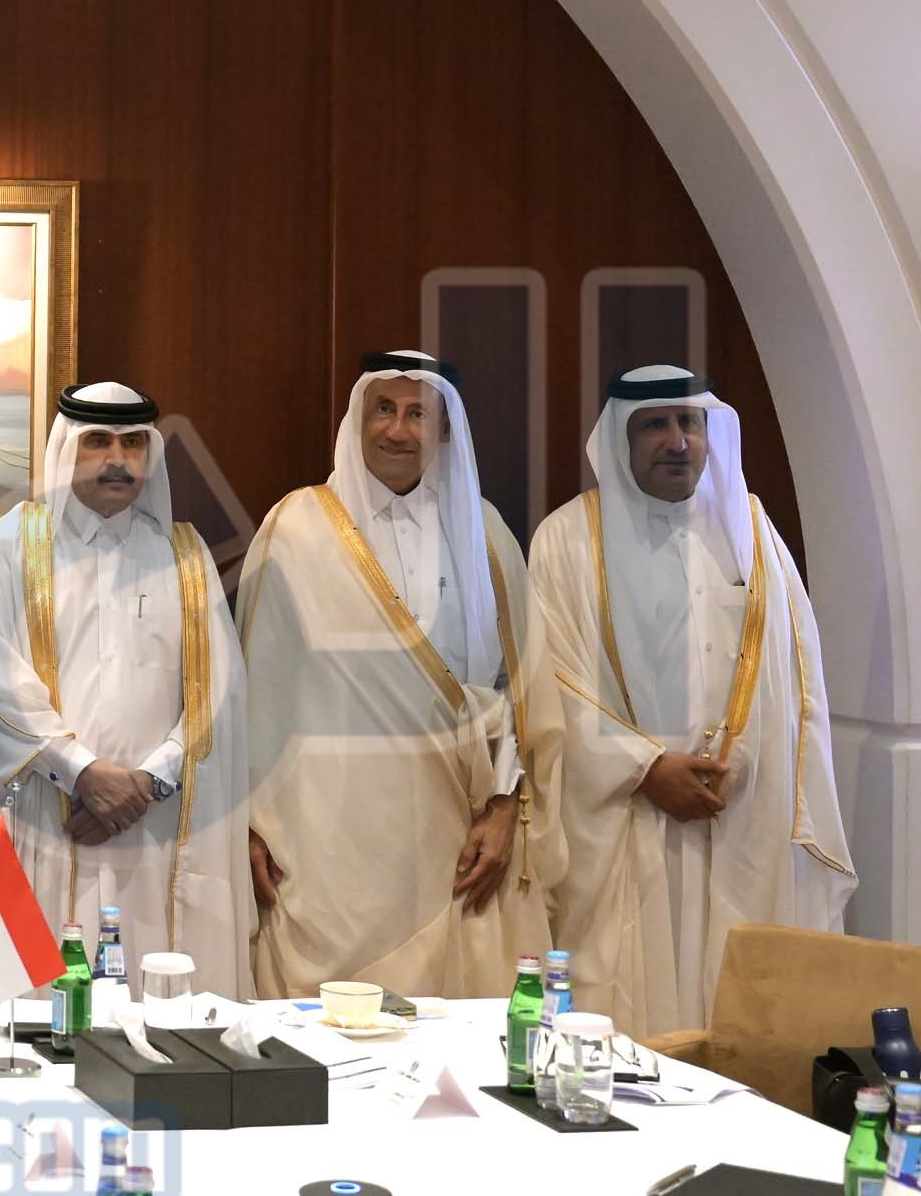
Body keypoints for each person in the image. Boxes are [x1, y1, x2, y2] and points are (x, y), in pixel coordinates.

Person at [528, 366, 851, 1034]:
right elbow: (550, 681)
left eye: (690, 423)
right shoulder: (566, 539)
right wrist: (645, 768)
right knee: (625, 1014)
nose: (677, 442)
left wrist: (742, 763)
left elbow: (797, 674)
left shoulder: (749, 532)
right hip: (624, 816)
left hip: (737, 814)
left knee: (738, 1004)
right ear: (621, 438)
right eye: (655, 425)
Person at [240, 351, 556, 998]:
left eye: (418, 414)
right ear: (357, 419)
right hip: (325, 843)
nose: (398, 429)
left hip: (457, 836)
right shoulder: (296, 527)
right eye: (383, 409)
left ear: (443, 430)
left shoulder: (485, 534)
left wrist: (506, 808)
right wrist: (245, 826)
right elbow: (254, 693)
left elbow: (521, 688)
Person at [0, 383, 253, 1000]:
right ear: (65, 449)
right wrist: (82, 772)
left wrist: (150, 781)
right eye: (98, 442)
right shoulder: (8, 548)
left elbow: (220, 689)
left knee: (155, 1000)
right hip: (46, 814)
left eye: (133, 444)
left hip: (157, 820)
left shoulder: (183, 556)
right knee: (38, 1011)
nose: (118, 459)